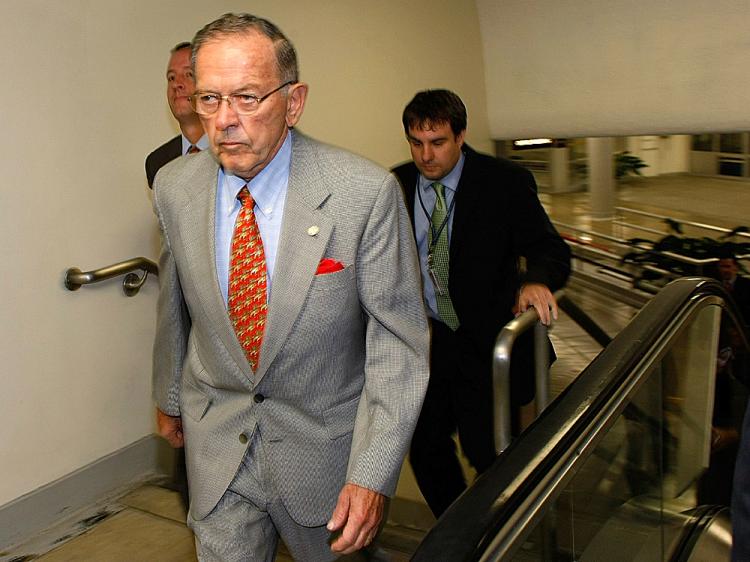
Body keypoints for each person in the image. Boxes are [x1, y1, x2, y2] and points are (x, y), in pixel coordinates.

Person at [151, 13, 429, 562]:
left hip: (325, 460)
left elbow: (398, 345)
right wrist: (168, 396)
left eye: (248, 98)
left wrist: (373, 475)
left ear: (294, 101)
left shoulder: (363, 195)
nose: (225, 121)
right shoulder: (174, 188)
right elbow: (176, 302)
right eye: (210, 99)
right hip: (218, 449)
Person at [392, 89, 570, 518]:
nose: (426, 156)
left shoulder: (502, 181)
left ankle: (495, 528)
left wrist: (536, 282)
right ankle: (458, 528)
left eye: (437, 143)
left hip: (487, 340)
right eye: (416, 143)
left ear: (461, 135)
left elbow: (550, 249)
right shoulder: (396, 183)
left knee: (484, 447)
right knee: (423, 443)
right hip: (432, 341)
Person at [145, 42, 207, 188]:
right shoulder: (157, 163)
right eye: (171, 78)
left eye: (188, 74)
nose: (176, 84)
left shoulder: (234, 149)